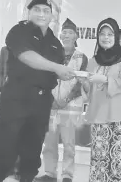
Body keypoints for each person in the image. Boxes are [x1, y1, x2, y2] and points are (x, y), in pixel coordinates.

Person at [0, 0, 75, 182]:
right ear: (29, 11)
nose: (41, 14)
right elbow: (27, 56)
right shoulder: (18, 31)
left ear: (52, 16)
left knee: (32, 149)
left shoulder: (55, 43)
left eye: (46, 11)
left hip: (41, 102)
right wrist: (57, 68)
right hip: (17, 97)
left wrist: (69, 74)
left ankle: (26, 178)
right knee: (6, 145)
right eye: (37, 9)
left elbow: (54, 73)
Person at [35, 18, 88, 182]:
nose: (66, 35)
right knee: (49, 142)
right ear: (60, 34)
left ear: (76, 36)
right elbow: (44, 77)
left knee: (69, 145)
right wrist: (52, 99)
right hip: (50, 106)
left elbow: (81, 82)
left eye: (70, 32)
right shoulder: (52, 54)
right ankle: (50, 174)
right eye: (64, 32)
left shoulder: (82, 58)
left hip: (70, 107)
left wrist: (65, 100)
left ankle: (67, 175)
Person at [81, 18, 121, 182]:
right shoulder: (92, 61)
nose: (106, 37)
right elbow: (89, 90)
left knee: (115, 159)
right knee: (98, 158)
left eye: (110, 34)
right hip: (98, 113)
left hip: (118, 114)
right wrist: (84, 82)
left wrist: (105, 79)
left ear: (116, 37)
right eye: (102, 34)